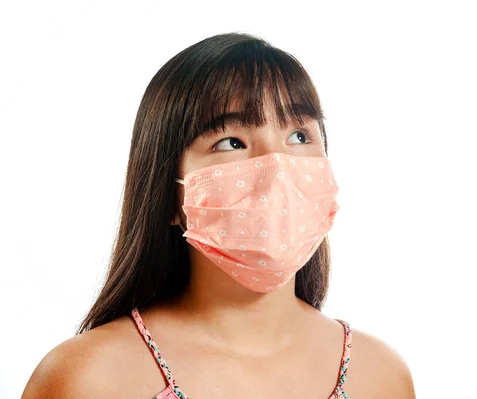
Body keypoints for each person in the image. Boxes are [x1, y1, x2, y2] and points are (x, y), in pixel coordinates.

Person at [22, 32, 415, 399]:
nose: (277, 166)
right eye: (232, 142)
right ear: (169, 195)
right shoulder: (88, 378)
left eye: (299, 135)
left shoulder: (380, 375)